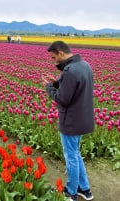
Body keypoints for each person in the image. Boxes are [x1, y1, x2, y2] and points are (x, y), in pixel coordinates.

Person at [42, 41, 94, 201]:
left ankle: (71, 192)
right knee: (76, 154)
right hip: (82, 118)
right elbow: (75, 88)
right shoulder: (85, 65)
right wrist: (58, 83)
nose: (53, 61)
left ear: (61, 53)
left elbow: (62, 99)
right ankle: (85, 189)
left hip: (71, 121)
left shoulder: (70, 71)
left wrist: (49, 88)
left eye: (53, 57)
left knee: (71, 156)